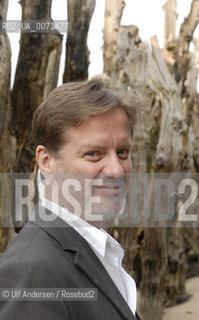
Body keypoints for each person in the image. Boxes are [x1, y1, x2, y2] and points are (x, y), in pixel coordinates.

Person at [0, 78, 141, 320]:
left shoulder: (100, 250)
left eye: (122, 152)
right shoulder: (31, 271)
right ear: (46, 161)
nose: (117, 170)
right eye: (93, 154)